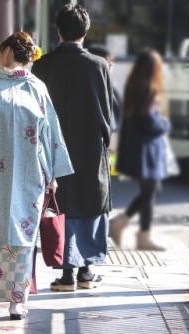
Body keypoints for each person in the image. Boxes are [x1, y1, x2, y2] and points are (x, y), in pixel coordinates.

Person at [0, 31, 73, 320]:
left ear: (8, 52)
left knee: (20, 233)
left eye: (1, 50)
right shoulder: (35, 88)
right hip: (25, 169)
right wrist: (53, 171)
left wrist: (52, 175)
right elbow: (52, 135)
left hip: (13, 172)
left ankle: (14, 298)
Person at [31, 4, 113, 292]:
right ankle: (86, 271)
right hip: (89, 148)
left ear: (58, 31)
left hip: (52, 150)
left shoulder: (42, 66)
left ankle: (65, 273)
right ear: (86, 31)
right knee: (90, 202)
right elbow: (107, 115)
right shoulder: (99, 65)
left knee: (60, 204)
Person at [111, 49, 169, 251]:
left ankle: (123, 223)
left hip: (137, 150)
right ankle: (141, 235)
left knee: (151, 191)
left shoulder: (133, 86)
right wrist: (165, 125)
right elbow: (151, 123)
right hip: (147, 151)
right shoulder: (148, 89)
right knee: (151, 191)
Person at [87, 43, 121, 131]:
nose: (111, 64)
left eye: (112, 61)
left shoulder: (111, 85)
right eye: (109, 60)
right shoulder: (92, 85)